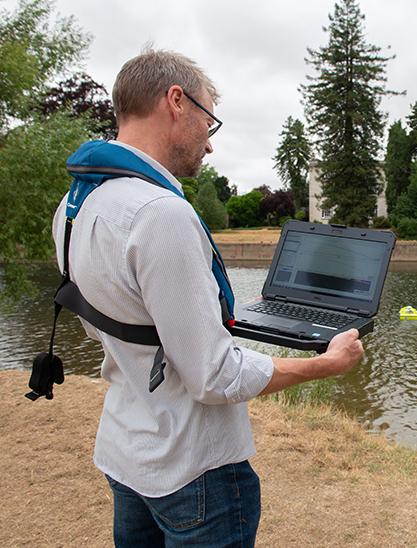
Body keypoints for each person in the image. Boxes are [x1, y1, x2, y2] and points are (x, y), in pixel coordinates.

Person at [51, 49, 364, 547]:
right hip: (193, 468)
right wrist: (324, 364)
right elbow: (215, 376)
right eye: (209, 122)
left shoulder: (73, 205)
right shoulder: (159, 214)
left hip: (125, 450)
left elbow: (112, 328)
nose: (210, 145)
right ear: (176, 101)